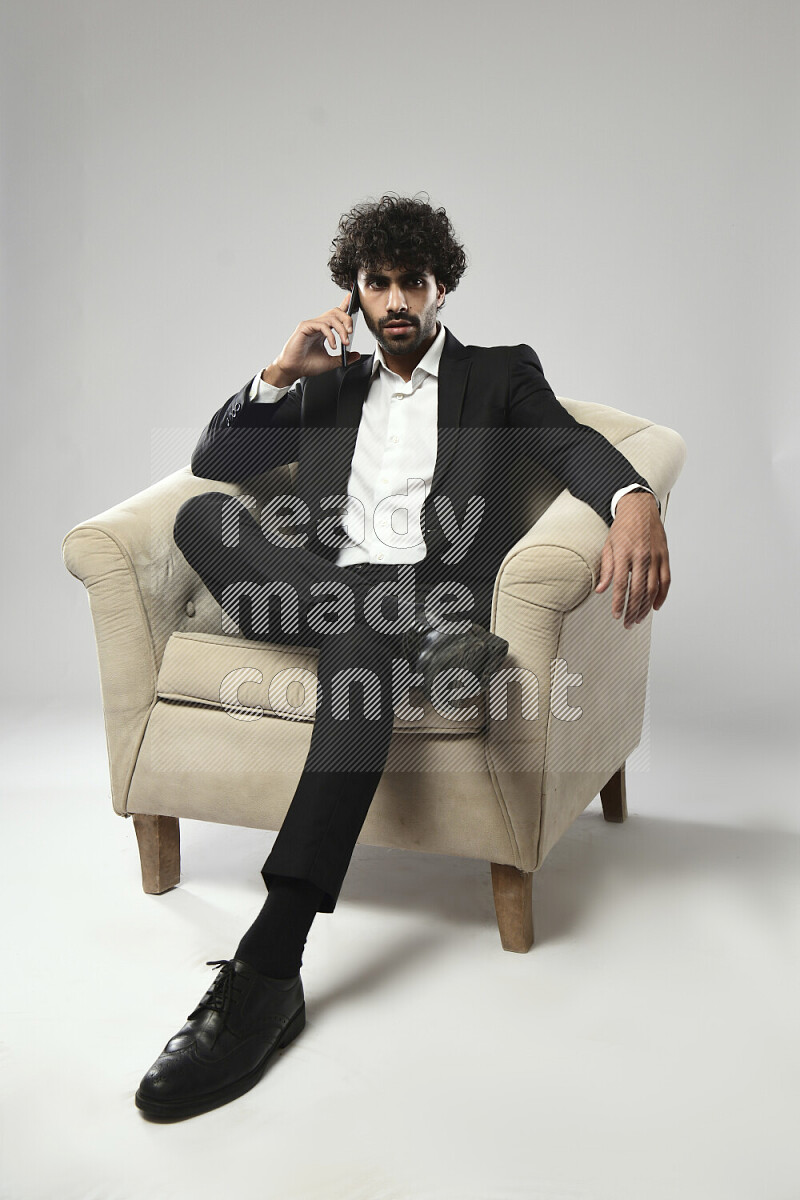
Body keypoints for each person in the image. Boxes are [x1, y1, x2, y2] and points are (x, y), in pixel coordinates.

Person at [135, 193, 671, 1121]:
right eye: (375, 282)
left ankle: (268, 967)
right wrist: (278, 371)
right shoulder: (329, 382)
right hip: (328, 584)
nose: (394, 300)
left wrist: (631, 498)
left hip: (433, 594)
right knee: (201, 516)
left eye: (410, 283)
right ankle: (409, 639)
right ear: (354, 290)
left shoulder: (500, 374)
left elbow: (570, 444)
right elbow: (216, 456)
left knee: (359, 651)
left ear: (441, 288)